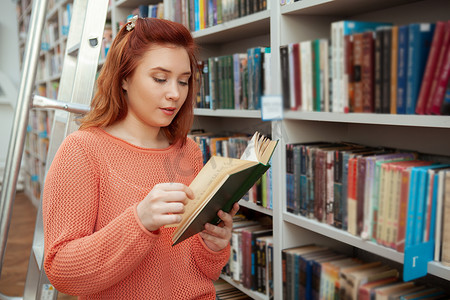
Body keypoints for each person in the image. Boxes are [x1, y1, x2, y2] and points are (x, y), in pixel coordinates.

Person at [42, 16, 239, 299]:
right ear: (124, 77)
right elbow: (62, 271)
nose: (175, 94)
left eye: (184, 81)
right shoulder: (82, 151)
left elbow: (202, 272)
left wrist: (214, 245)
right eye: (160, 79)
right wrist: (140, 221)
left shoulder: (189, 151)